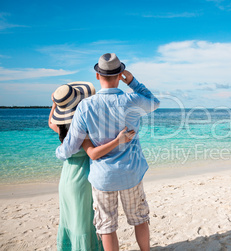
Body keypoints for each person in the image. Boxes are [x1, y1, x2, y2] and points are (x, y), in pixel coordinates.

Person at [55, 53, 160, 251]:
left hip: (103, 176)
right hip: (131, 172)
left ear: (97, 76)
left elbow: (71, 145)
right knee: (139, 219)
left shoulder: (85, 106)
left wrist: (59, 153)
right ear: (120, 74)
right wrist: (133, 82)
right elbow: (154, 102)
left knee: (107, 226)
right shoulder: (132, 100)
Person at [49, 81, 136, 251]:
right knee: (84, 221)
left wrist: (54, 105)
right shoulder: (83, 134)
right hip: (82, 180)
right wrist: (118, 141)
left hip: (66, 179)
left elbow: (50, 122)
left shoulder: (62, 130)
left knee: (70, 219)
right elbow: (94, 154)